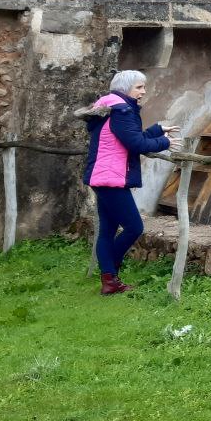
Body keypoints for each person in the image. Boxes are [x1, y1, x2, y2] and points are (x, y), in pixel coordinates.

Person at [79, 70, 180, 296]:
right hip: (111, 178)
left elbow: (126, 137)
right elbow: (135, 143)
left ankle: (110, 280)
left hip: (102, 177)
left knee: (107, 230)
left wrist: (156, 130)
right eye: (139, 87)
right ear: (125, 88)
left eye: (143, 87)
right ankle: (109, 273)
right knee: (135, 227)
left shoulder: (110, 109)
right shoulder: (123, 111)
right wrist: (164, 142)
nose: (143, 92)